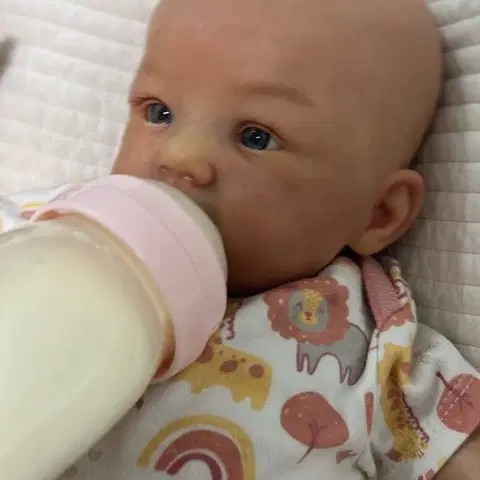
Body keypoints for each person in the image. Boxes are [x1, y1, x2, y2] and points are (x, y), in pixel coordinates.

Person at [1, 0, 479, 478]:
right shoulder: (56, 228)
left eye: (256, 137)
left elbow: (452, 449)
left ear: (378, 212)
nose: (180, 155)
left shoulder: (378, 347)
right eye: (159, 112)